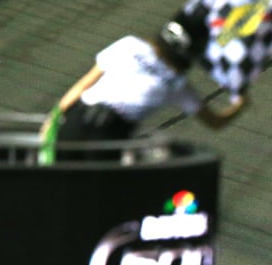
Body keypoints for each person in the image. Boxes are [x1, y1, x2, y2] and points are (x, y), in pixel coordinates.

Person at [38, 12, 248, 163]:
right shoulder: (177, 83)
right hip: (110, 135)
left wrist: (54, 116)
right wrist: (240, 104)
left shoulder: (130, 45)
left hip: (79, 117)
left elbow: (84, 83)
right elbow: (214, 121)